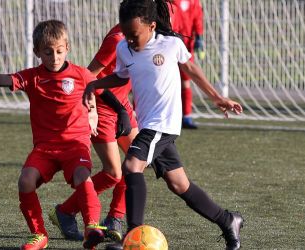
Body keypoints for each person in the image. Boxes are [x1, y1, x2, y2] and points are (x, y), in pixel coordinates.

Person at [82, 1, 244, 250]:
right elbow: (122, 76)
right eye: (126, 35)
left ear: (152, 26)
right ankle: (228, 220)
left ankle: (132, 237)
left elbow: (191, 68)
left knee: (132, 165)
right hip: (149, 123)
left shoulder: (170, 44)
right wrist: (95, 84)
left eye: (135, 35)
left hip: (164, 122)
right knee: (179, 183)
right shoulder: (125, 47)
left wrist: (217, 98)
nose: (130, 41)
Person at [0, 20, 106, 250]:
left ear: (67, 48)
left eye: (59, 51)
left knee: (83, 177)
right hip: (45, 148)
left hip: (75, 144)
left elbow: (104, 93)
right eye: (48, 52)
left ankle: (92, 227)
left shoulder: (82, 75)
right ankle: (39, 235)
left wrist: (120, 115)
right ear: (37, 52)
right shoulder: (33, 77)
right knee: (25, 180)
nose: (54, 57)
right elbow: (4, 80)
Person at [48, 23, 139, 243]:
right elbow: (89, 76)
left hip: (122, 105)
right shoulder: (118, 39)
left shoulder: (144, 32)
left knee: (137, 161)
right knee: (113, 173)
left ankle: (115, 218)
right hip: (104, 107)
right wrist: (91, 111)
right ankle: (65, 211)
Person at [172, 0, 205, 129]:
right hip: (169, 41)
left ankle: (186, 116)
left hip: (186, 44)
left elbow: (197, 17)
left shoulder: (194, 1)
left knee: (185, 80)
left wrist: (199, 36)